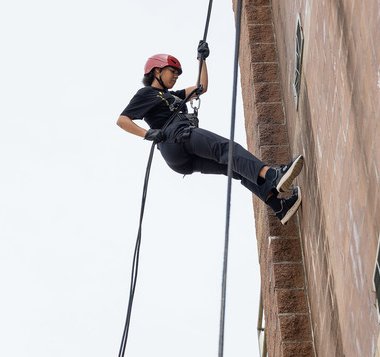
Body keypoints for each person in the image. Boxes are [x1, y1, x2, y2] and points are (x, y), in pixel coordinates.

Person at [117, 41, 304, 225]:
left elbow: (201, 88)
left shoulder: (173, 95)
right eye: (172, 72)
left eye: (177, 74)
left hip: (179, 158)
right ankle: (273, 175)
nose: (176, 76)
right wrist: (147, 133)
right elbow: (123, 120)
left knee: (232, 167)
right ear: (157, 71)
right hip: (176, 137)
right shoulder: (146, 93)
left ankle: (279, 206)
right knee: (226, 149)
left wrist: (201, 59)